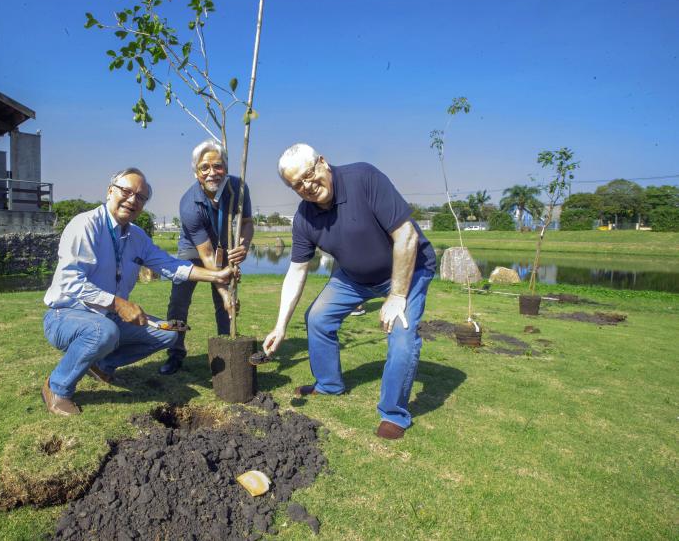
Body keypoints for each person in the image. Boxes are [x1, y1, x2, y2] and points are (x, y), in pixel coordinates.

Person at [262, 144, 436, 440]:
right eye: (297, 185)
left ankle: (393, 413)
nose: (307, 186)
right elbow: (297, 270)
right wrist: (280, 326)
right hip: (354, 277)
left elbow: (406, 235)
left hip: (408, 269)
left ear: (322, 163)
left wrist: (396, 296)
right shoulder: (304, 219)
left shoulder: (364, 178)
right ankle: (328, 384)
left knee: (402, 334)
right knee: (317, 318)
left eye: (308, 175)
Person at [41, 168, 233, 416]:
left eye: (140, 197)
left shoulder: (136, 236)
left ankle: (102, 363)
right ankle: (57, 388)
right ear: (111, 191)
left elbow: (170, 265)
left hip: (106, 317)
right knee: (103, 332)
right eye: (127, 191)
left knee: (169, 335)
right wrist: (118, 303)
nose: (133, 200)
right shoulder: (85, 225)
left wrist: (217, 275)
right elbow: (70, 281)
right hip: (66, 315)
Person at [159, 140, 254, 375]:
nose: (212, 173)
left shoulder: (238, 188)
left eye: (218, 166)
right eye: (205, 167)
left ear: (226, 167)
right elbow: (206, 254)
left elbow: (247, 223)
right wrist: (224, 290)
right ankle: (175, 353)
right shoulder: (189, 204)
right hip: (193, 252)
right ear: (196, 172)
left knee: (224, 307)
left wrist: (243, 245)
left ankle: (227, 352)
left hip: (223, 248)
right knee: (179, 303)